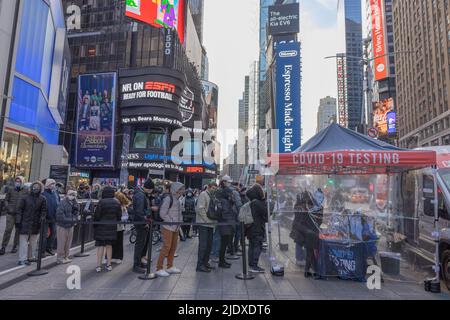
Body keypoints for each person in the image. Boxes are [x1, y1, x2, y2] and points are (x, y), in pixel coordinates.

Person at [156, 182, 185, 277]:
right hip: (168, 227)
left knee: (173, 247)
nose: (182, 191)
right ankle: (159, 268)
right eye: (180, 189)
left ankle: (170, 266)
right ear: (175, 189)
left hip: (175, 227)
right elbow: (162, 213)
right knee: (166, 247)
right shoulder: (169, 199)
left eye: (182, 189)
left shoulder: (178, 199)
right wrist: (172, 221)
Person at [16, 182, 47, 266]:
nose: (36, 188)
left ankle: (31, 257)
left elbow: (43, 211)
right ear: (31, 187)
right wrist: (18, 221)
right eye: (34, 187)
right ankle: (22, 259)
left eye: (38, 187)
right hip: (24, 222)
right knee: (23, 242)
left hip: (36, 223)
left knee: (33, 242)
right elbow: (19, 210)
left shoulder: (42, 198)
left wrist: (42, 219)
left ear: (40, 188)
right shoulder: (25, 197)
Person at [93, 186, 122, 272]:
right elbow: (119, 216)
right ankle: (109, 264)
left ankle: (98, 265)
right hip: (112, 227)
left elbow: (97, 215)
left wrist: (95, 225)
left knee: (100, 246)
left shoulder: (101, 202)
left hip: (101, 226)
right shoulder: (116, 202)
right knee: (109, 246)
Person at [131, 179, 155, 274]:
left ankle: (139, 262)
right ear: (149, 189)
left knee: (141, 243)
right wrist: (145, 222)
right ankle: (136, 265)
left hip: (141, 222)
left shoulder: (140, 194)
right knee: (140, 243)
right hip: (141, 223)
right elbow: (139, 211)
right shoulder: (141, 195)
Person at [215, 175, 237, 268]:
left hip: (226, 222)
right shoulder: (223, 200)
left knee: (225, 242)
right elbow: (225, 212)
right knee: (223, 242)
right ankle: (221, 261)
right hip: (225, 222)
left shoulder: (224, 198)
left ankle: (222, 260)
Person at [245, 183, 268, 273]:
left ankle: (251, 264)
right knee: (257, 246)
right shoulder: (257, 203)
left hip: (251, 228)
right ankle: (254, 265)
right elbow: (266, 212)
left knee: (251, 246)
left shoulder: (251, 201)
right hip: (257, 228)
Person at [195, 182, 218, 272]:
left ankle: (205, 263)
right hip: (204, 224)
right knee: (203, 245)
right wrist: (207, 220)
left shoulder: (212, 195)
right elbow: (200, 209)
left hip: (210, 224)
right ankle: (200, 265)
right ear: (208, 187)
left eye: (215, 188)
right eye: (213, 188)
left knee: (209, 245)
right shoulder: (203, 194)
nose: (214, 189)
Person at [0, 176, 25, 255]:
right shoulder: (11, 189)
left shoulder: (25, 191)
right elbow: (6, 200)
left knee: (18, 231)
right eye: (16, 181)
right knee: (8, 230)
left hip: (19, 215)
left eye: (19, 181)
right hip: (10, 214)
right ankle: (3, 247)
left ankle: (15, 246)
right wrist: (8, 207)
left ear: (22, 182)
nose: (17, 182)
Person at [55, 190, 80, 264]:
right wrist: (72, 220)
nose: (72, 196)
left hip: (70, 225)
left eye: (73, 194)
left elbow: (77, 213)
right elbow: (59, 215)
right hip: (62, 225)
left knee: (68, 242)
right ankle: (60, 258)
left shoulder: (75, 203)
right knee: (61, 242)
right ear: (67, 194)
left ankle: (66, 256)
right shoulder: (62, 202)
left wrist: (74, 220)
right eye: (70, 194)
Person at [41, 179, 60, 256]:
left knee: (53, 233)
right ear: (48, 184)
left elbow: (58, 202)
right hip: (45, 217)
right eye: (52, 184)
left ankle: (49, 248)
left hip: (54, 217)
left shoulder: (55, 192)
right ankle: (41, 251)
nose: (53, 185)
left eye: (54, 184)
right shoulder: (43, 193)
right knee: (44, 234)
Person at [112, 191, 130, 264]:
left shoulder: (122, 207)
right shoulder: (120, 206)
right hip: (116, 226)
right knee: (114, 242)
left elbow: (125, 217)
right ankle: (113, 257)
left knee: (118, 242)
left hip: (119, 227)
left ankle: (118, 257)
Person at [229, 182, 243, 258]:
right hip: (235, 215)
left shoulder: (228, 190)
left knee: (230, 233)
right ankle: (234, 250)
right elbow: (239, 205)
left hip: (229, 215)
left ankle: (230, 249)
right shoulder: (235, 192)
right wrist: (241, 216)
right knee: (237, 233)